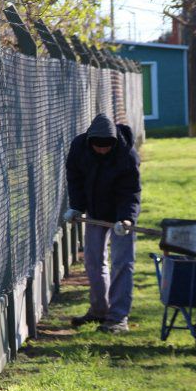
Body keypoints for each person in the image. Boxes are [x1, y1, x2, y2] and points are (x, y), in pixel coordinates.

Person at [63, 113, 141, 334]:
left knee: (122, 263)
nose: (102, 150)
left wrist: (126, 219)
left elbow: (131, 191)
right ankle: (99, 310)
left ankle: (118, 318)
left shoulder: (127, 156)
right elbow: (74, 178)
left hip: (121, 215)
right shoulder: (80, 148)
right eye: (98, 146)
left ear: (114, 142)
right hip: (96, 213)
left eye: (107, 146)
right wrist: (76, 206)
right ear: (90, 142)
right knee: (93, 261)